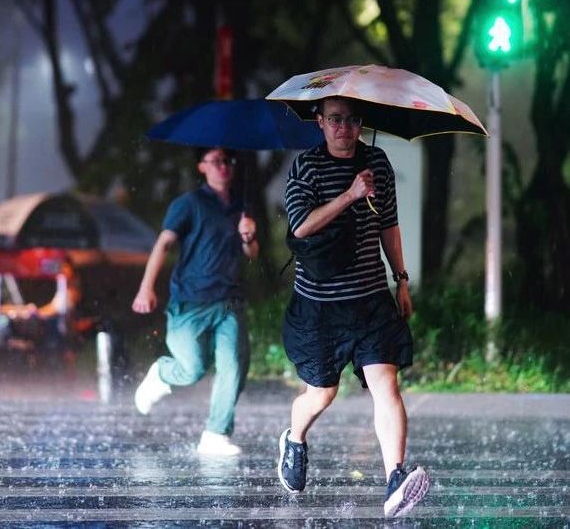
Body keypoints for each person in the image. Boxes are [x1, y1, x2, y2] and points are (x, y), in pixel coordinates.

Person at [277, 96, 429, 519]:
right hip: (320, 306)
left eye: (353, 119)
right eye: (336, 119)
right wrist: (350, 194)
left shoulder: (376, 162)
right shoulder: (306, 166)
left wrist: (401, 279)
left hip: (369, 299)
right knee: (322, 394)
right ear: (320, 122)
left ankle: (394, 480)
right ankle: (295, 438)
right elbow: (300, 225)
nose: (345, 127)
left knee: (387, 386)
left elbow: (389, 224)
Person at [132, 147, 258, 457]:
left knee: (234, 365)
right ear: (202, 167)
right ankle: (161, 373)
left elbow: (252, 256)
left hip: (228, 300)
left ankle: (216, 433)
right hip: (190, 300)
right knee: (192, 368)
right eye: (216, 161)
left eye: (229, 160)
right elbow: (163, 243)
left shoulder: (242, 206)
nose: (224, 167)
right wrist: (146, 288)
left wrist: (248, 238)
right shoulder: (189, 204)